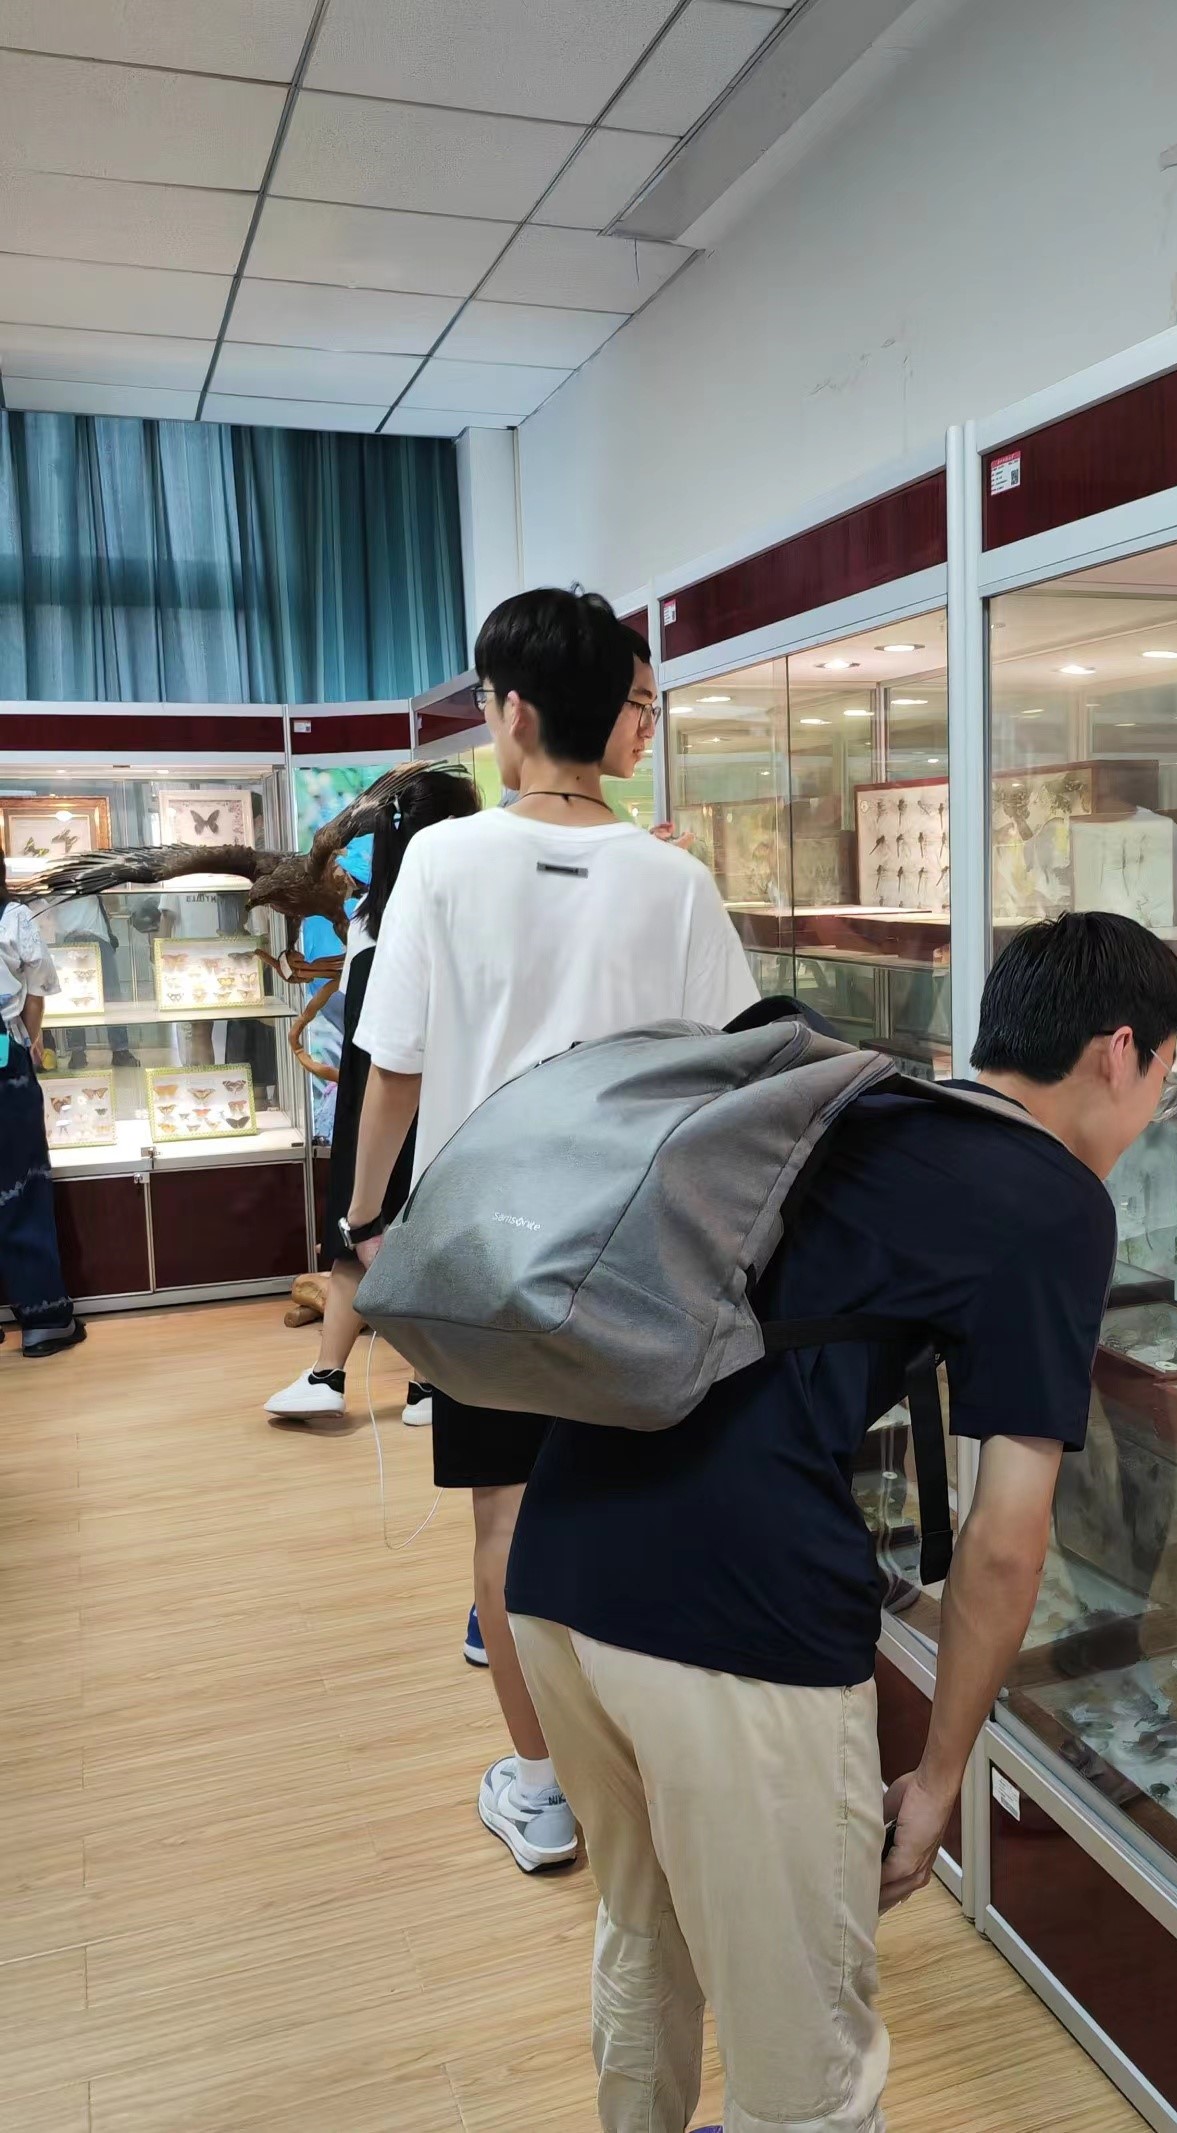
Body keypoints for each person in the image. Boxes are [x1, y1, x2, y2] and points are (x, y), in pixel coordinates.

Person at [504, 911, 1177, 2133]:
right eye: (1167, 1077)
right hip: (736, 1622)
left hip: (561, 1560)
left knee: (645, 1935)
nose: (1158, 1110)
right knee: (806, 2072)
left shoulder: (862, 1109)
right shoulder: (1054, 1200)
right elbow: (1006, 1540)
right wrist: (940, 1778)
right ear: (1118, 1051)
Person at [348, 588, 758, 1872]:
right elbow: (733, 1071)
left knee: (506, 1524)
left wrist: (364, 1220)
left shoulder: (443, 860)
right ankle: (653, 1784)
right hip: (638, 1249)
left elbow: (397, 1067)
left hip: (482, 1252)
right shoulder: (675, 878)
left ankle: (542, 1792)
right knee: (641, 1510)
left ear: (513, 712)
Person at [264, 765, 480, 1428]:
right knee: (422, 1239)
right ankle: (425, 1384)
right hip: (425, 1099)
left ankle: (333, 1375)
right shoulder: (445, 920)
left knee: (356, 1236)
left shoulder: (367, 916)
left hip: (367, 1103)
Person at [0, 852, 87, 1358]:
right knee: (20, 1187)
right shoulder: (13, 917)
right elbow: (35, 992)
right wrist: (31, 1040)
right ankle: (44, 1320)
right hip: (4, 1060)